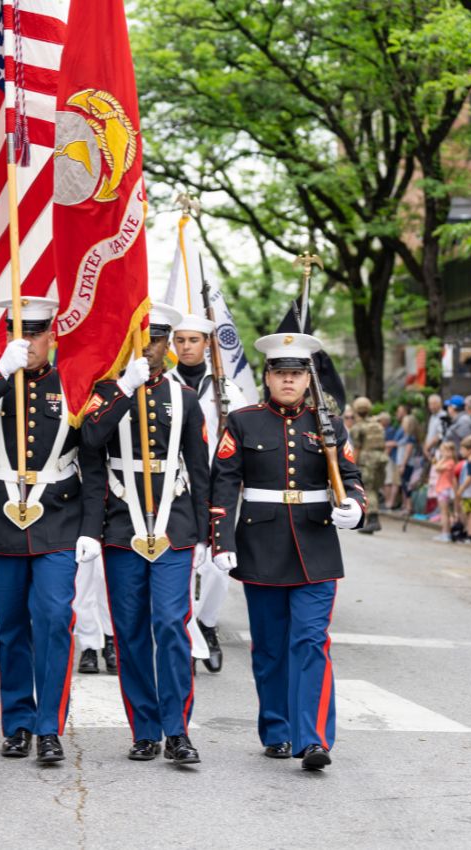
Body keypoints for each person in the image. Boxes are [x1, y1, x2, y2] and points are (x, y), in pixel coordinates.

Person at [0, 297, 101, 765]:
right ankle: (17, 723)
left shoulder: (72, 382)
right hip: (0, 520)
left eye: (36, 333)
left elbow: (94, 457)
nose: (29, 341)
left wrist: (92, 527)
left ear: (52, 336)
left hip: (58, 517)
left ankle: (49, 726)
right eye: (20, 332)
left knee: (56, 619)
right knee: (10, 628)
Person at [210, 331, 366, 772]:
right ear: (268, 376)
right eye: (281, 373)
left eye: (297, 374)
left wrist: (355, 506)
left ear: (307, 380)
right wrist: (222, 540)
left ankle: (313, 738)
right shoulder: (243, 422)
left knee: (311, 641)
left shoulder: (330, 425)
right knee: (271, 649)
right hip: (261, 546)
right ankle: (277, 729)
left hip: (316, 546)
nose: (289, 381)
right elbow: (224, 481)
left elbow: (351, 477)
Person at [82, 304, 210, 765]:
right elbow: (91, 446)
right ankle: (144, 728)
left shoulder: (186, 398)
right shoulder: (106, 392)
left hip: (173, 526)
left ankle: (176, 729)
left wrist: (204, 537)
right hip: (120, 525)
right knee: (131, 631)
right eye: (141, 338)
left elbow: (199, 468)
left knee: (170, 625)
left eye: (157, 339)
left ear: (168, 343)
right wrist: (124, 387)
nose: (149, 347)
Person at [165, 305, 250, 674]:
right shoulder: (163, 384)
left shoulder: (227, 389)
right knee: (181, 561)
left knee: (218, 566)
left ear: (207, 344)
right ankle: (183, 631)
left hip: (220, 483)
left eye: (193, 341)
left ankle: (207, 624)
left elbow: (245, 437)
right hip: (176, 486)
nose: (186, 347)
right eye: (180, 340)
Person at [349, 397, 386, 534]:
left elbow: (357, 448)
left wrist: (352, 465)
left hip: (367, 461)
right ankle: (373, 519)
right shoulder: (377, 424)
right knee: (374, 489)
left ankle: (373, 520)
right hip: (381, 459)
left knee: (368, 490)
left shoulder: (357, 427)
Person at [433, 440, 458, 542]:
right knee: (443, 512)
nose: (443, 454)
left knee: (444, 513)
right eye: (442, 452)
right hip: (441, 488)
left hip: (445, 489)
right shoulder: (448, 461)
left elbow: (437, 468)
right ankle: (444, 532)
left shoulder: (450, 462)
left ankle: (446, 533)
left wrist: (443, 458)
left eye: (445, 451)